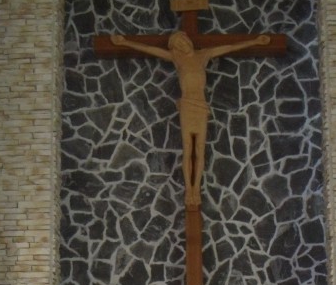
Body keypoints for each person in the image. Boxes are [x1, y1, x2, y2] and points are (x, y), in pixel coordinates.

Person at [110, 31, 271, 207]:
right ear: (175, 48)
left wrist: (255, 41)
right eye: (178, 44)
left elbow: (230, 47)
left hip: (201, 106)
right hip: (187, 105)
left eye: (183, 41)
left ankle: (196, 189)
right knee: (188, 148)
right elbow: (150, 49)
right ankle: (189, 190)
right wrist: (125, 42)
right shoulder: (177, 58)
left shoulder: (204, 55)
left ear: (188, 40)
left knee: (200, 148)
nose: (183, 45)